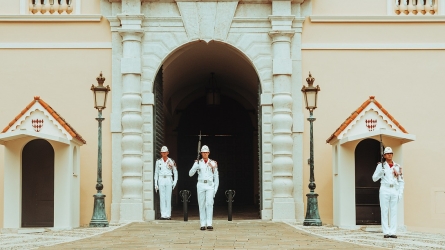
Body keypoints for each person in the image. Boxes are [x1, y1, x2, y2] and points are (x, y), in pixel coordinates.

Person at [372, 146, 404, 239]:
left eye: (391, 153)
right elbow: (374, 178)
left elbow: (401, 180)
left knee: (394, 211)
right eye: (387, 154)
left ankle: (393, 232)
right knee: (384, 210)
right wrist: (380, 173)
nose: (389, 155)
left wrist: (400, 192)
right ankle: (386, 231)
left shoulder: (397, 166)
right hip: (385, 189)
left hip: (394, 189)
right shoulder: (380, 166)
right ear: (384, 155)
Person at [189, 145, 219, 231]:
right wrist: (195, 166)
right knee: (201, 204)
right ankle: (202, 223)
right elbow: (190, 174)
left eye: (206, 152)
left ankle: (209, 223)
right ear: (201, 153)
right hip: (201, 184)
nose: (205, 154)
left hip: (210, 185)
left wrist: (215, 189)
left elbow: (216, 177)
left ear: (209, 153)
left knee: (209, 203)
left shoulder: (213, 163)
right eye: (203, 152)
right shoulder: (198, 162)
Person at [154, 146, 178, 220]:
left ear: (168, 153)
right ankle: (163, 215)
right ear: (161, 153)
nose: (164, 154)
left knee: (168, 197)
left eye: (165, 152)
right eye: (163, 152)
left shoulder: (171, 161)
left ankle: (168, 215)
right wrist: (156, 183)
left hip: (168, 178)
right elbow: (156, 173)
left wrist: (175, 181)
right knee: (162, 197)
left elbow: (175, 172)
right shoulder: (158, 161)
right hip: (161, 179)